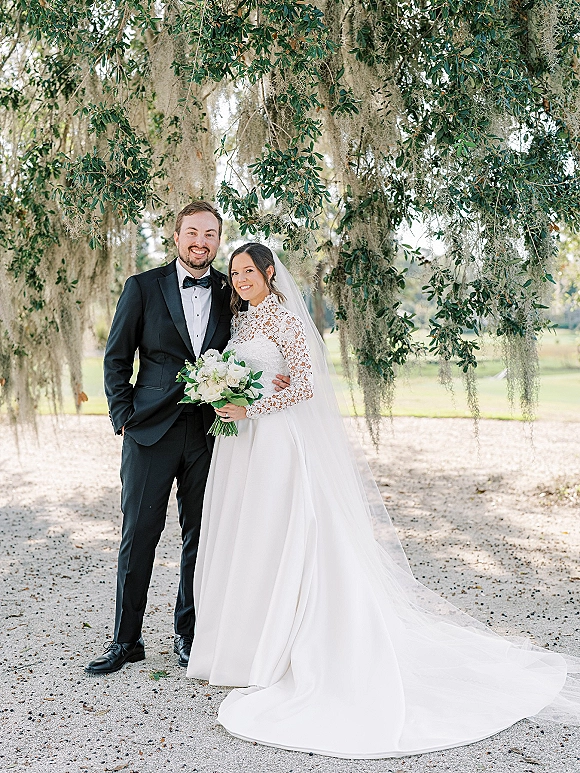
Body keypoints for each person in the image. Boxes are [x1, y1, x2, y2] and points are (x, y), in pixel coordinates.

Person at [187, 242, 580, 758]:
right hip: (245, 445)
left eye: (248, 271)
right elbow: (256, 377)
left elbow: (305, 383)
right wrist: (224, 395)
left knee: (280, 532)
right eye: (234, 272)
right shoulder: (242, 324)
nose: (239, 279)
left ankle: (284, 644)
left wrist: (254, 404)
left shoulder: (282, 317)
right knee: (251, 537)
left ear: (267, 274)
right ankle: (245, 644)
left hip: (278, 442)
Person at [85, 204, 289, 676]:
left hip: (211, 433)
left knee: (202, 536)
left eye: (210, 234)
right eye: (192, 232)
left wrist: (275, 378)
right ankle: (126, 639)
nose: (201, 241)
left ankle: (189, 635)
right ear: (175, 236)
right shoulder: (141, 287)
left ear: (219, 240)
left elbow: (259, 335)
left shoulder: (228, 289)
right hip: (149, 431)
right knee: (138, 535)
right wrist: (123, 418)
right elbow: (116, 358)